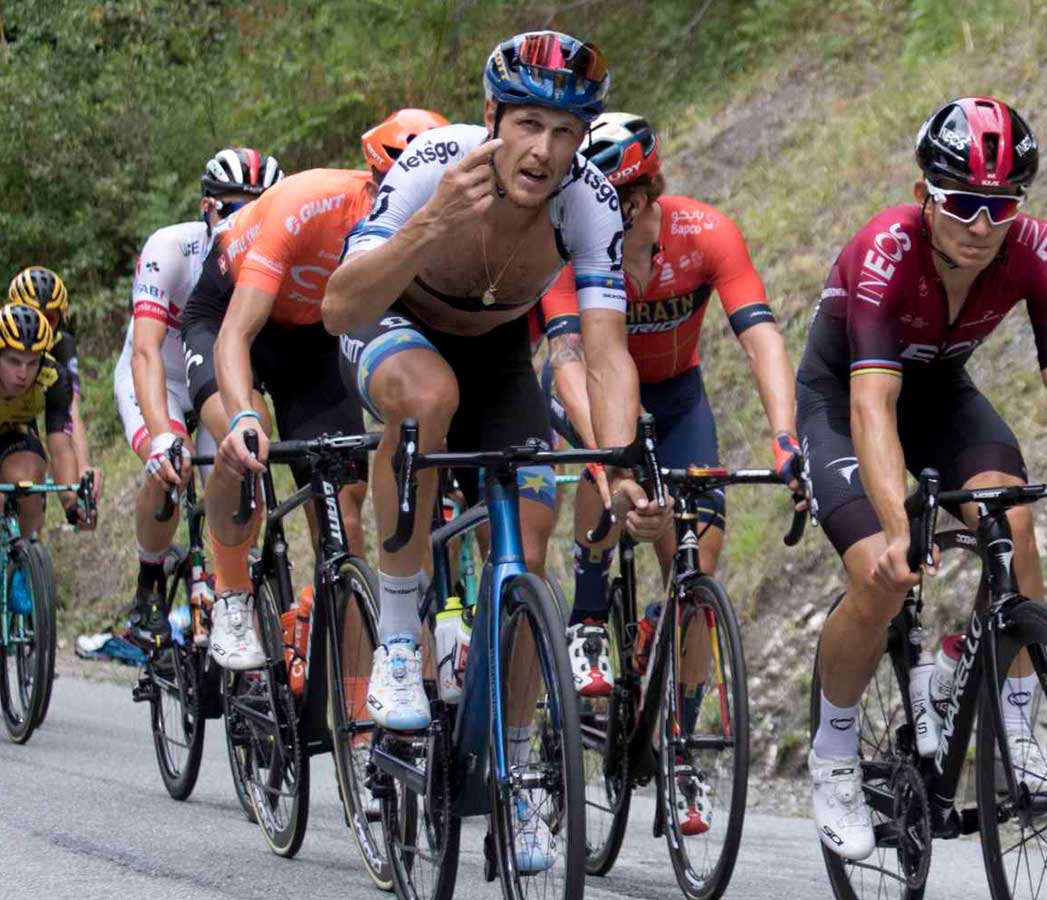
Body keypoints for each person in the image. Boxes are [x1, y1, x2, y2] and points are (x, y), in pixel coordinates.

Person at [324, 31, 670, 873]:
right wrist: (433, 220)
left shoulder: (586, 202)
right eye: (526, 125)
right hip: (392, 323)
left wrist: (619, 463)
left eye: (564, 132)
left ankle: (517, 770)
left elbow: (605, 351)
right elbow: (339, 305)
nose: (543, 151)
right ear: (491, 119)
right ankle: (401, 638)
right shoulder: (437, 162)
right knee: (427, 399)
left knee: (531, 545)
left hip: (493, 351)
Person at [796, 97, 1047, 860]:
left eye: (1001, 206)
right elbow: (872, 404)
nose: (981, 223)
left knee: (1012, 520)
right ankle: (832, 754)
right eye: (962, 202)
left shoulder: (1036, 250)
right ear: (924, 190)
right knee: (881, 576)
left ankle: (1010, 718)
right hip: (846, 397)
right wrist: (899, 531)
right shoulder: (885, 250)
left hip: (942, 394)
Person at [538, 112, 802, 701]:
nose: (593, 207)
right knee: (604, 467)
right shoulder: (565, 245)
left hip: (678, 397)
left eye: (609, 196)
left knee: (696, 568)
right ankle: (586, 614)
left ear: (643, 192)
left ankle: (679, 740)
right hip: (587, 389)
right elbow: (568, 360)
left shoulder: (705, 233)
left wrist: (785, 433)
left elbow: (761, 337)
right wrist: (612, 455)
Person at [183, 112, 445, 671]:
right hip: (229, 318)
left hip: (313, 342)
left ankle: (352, 709)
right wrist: (239, 421)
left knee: (346, 510)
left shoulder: (432, 230)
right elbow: (235, 333)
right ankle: (230, 595)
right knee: (246, 431)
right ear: (375, 182)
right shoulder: (308, 204)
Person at [113, 147, 283, 648]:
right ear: (208, 207)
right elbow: (144, 352)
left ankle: (228, 586)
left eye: (262, 206)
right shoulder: (170, 248)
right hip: (159, 377)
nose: (249, 218)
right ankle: (147, 588)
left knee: (238, 465)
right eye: (235, 206)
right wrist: (163, 434)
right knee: (170, 464)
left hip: (215, 376)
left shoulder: (272, 255)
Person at [7, 266, 102, 505]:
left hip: (37, 401)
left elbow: (71, 413)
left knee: (32, 479)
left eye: (48, 318)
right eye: (31, 313)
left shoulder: (61, 345)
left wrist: (82, 472)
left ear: (61, 317)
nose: (39, 325)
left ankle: (31, 534)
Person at [0, 304, 95, 542]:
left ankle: (23, 555)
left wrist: (72, 506)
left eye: (32, 362)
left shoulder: (53, 377)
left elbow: (61, 451)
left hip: (13, 431)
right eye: (14, 361)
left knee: (29, 482)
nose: (23, 373)